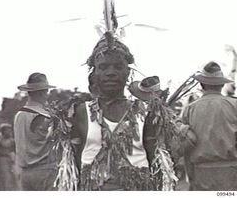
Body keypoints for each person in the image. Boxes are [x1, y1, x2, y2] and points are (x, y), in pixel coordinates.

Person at [70, 34, 177, 191]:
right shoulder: (80, 112)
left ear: (128, 73)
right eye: (103, 67)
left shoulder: (145, 113)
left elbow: (156, 161)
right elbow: (73, 162)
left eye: (118, 67)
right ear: (95, 74)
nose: (111, 73)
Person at [181, 61, 237, 190]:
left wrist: (192, 179)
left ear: (201, 84)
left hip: (201, 175)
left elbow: (186, 148)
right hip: (232, 174)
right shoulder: (234, 105)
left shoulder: (190, 109)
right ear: (222, 84)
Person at [14, 73, 57, 191]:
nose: (47, 95)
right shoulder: (47, 117)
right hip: (45, 171)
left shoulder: (19, 115)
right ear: (41, 92)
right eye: (46, 91)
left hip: (25, 173)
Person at [0, 123, 16, 190]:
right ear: (3, 131)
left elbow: (15, 149)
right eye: (7, 130)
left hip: (12, 160)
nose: (9, 132)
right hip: (3, 160)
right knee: (5, 178)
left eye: (9, 130)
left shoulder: (12, 140)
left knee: (12, 178)